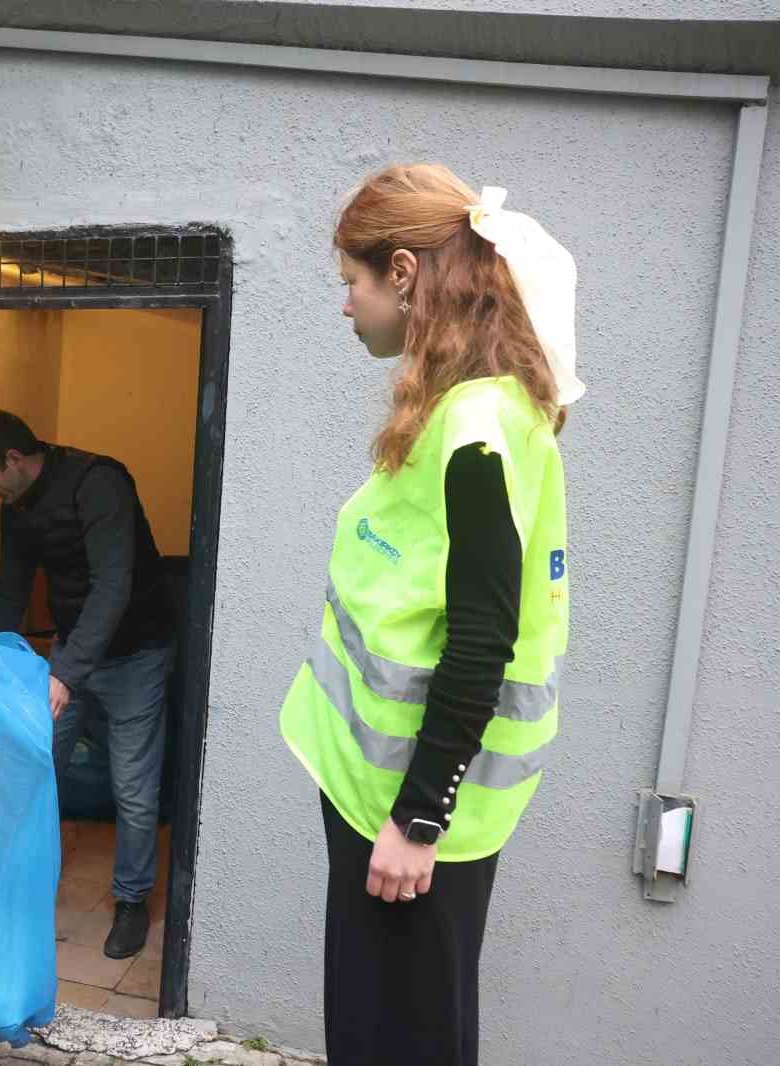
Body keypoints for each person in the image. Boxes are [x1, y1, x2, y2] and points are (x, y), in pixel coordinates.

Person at [279, 165, 580, 1065]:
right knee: (396, 1025)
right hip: (382, 793)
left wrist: (418, 821)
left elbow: (485, 637)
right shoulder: (472, 408)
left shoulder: (478, 427)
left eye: (353, 283)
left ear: (404, 274)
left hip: (408, 812)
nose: (346, 307)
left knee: (397, 1040)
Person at [0, 411, 175, 959]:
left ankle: (131, 901)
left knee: (133, 788)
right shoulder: (18, 504)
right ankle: (19, 881)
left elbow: (112, 586)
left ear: (14, 460)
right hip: (72, 650)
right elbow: (9, 588)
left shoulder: (99, 483)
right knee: (32, 763)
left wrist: (64, 675)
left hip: (137, 654)